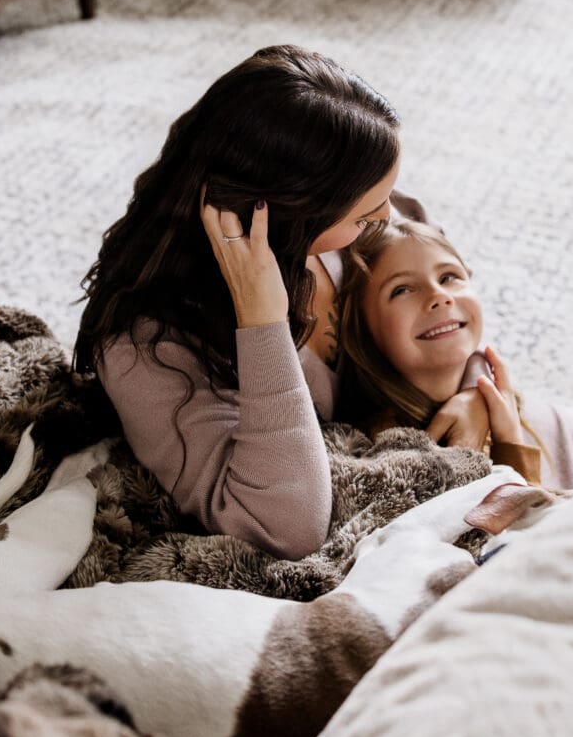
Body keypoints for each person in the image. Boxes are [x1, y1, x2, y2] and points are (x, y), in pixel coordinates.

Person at [73, 44, 486, 560]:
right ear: (292, 213)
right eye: (363, 215)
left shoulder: (373, 227)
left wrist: (475, 394)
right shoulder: (148, 349)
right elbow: (286, 527)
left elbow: (457, 308)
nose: (393, 216)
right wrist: (263, 324)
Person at [335, 217, 573, 490]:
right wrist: (509, 445)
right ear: (363, 332)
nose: (440, 296)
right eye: (402, 290)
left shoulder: (518, 408)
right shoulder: (382, 457)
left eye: (449, 277)